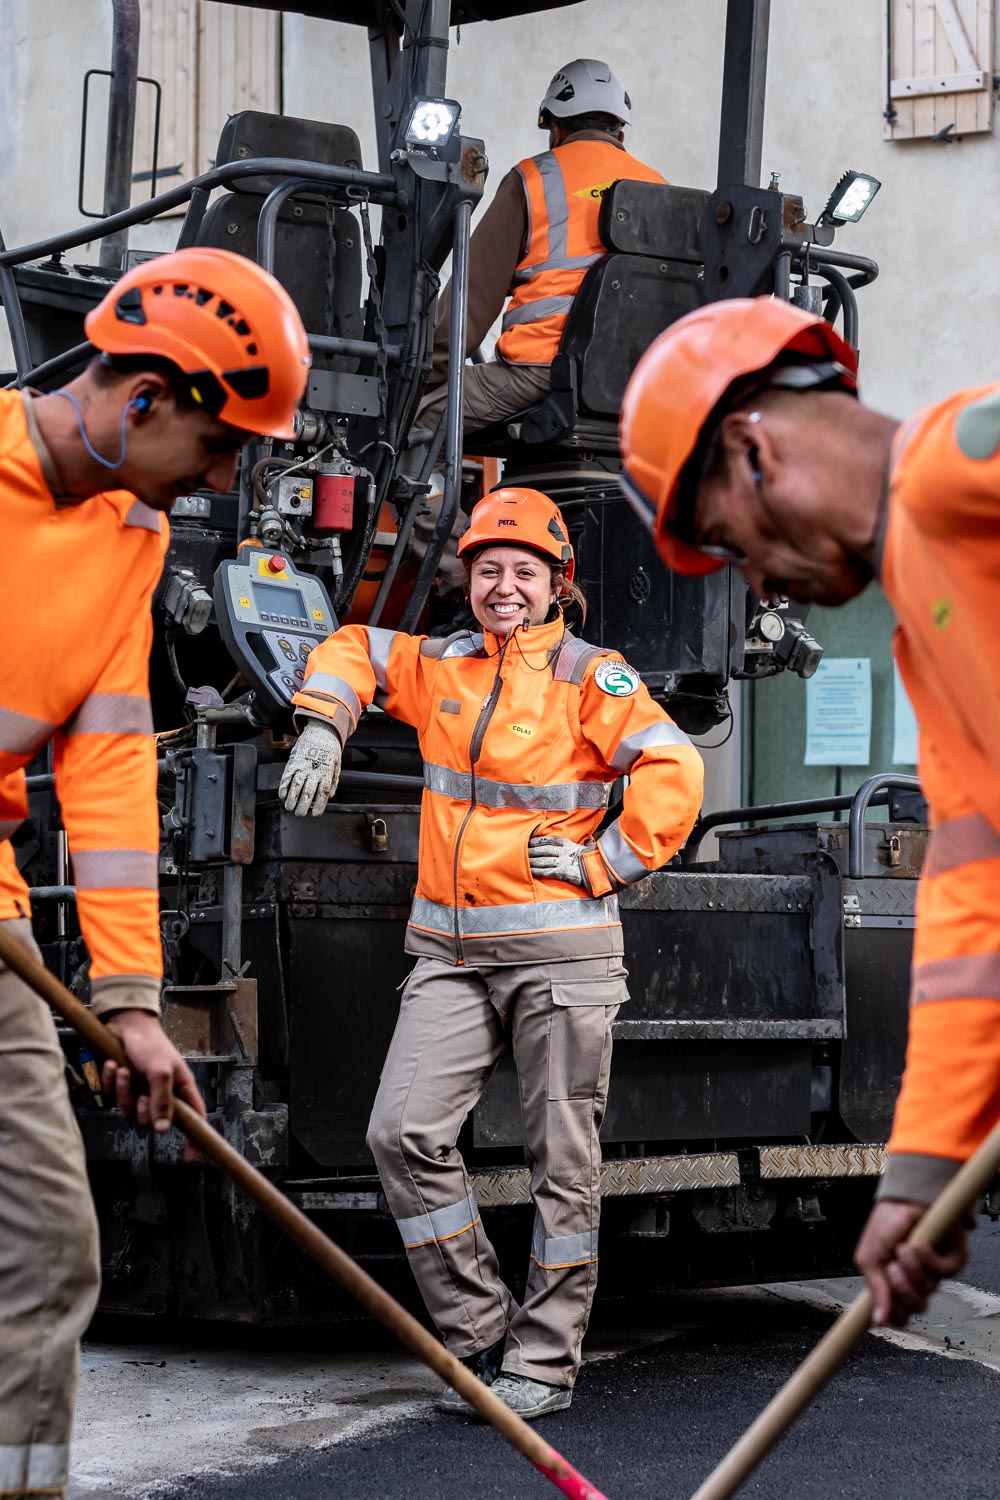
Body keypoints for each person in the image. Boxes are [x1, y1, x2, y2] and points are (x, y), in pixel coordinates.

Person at [617, 295, 1000, 1331]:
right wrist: (921, 1166)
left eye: (722, 541)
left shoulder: (958, 466)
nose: (747, 574)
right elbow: (973, 908)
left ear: (750, 449)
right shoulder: (928, 637)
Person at [279, 487, 703, 1419]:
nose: (504, 587)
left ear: (559, 585)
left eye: (524, 572)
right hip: (451, 954)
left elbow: (676, 771)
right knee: (402, 1133)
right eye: (488, 570)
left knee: (562, 1163)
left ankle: (543, 1366)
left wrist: (601, 863)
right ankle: (479, 1337)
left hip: (561, 958)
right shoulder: (441, 665)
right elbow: (354, 647)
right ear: (466, 577)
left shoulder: (594, 676)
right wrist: (324, 719)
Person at [0, 245, 310, 1499]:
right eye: (222, 444)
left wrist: (131, 999)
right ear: (141, 400)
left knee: (48, 1246)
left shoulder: (131, 531)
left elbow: (113, 766)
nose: (228, 479)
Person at [417, 58, 665, 442]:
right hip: (636, 382)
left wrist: (424, 372)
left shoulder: (533, 179)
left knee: (416, 418)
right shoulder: (658, 187)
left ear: (554, 126)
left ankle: (441, 505)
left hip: (541, 371)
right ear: (619, 130)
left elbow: (472, 298)